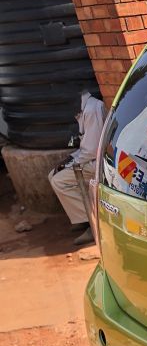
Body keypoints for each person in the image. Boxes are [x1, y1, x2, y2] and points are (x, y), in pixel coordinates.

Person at [48, 90, 106, 246]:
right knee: (52, 175)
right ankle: (81, 217)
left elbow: (92, 150)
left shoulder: (92, 110)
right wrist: (69, 159)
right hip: (90, 159)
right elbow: (85, 146)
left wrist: (72, 163)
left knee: (59, 181)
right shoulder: (83, 109)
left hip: (99, 163)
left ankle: (91, 224)